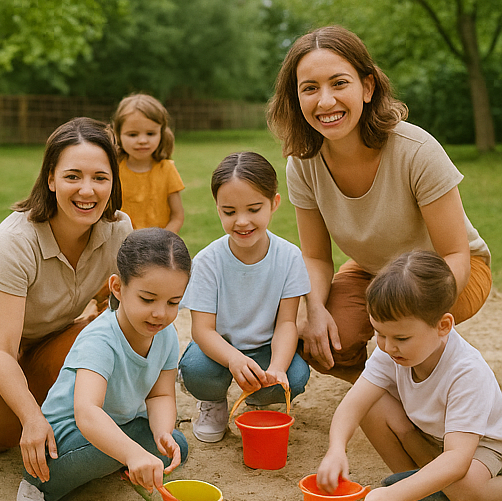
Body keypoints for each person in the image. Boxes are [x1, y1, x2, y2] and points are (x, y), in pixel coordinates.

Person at [267, 25, 492, 384]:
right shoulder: (303, 163)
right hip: (373, 269)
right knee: (328, 343)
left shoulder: (416, 150)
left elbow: (456, 255)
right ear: (296, 99)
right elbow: (315, 257)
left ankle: (431, 374)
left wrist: (411, 315)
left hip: (449, 273)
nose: (325, 101)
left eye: (339, 83)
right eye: (310, 88)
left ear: (367, 87)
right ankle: (382, 391)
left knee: (408, 334)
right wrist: (314, 310)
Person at [0, 118, 132, 478]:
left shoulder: (119, 229)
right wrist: (30, 417)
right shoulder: (14, 242)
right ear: (51, 179)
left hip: (51, 342)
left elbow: (125, 320)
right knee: (7, 433)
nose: (87, 191)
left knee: (108, 334)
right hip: (7, 353)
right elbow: (3, 351)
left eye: (100, 178)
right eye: (73, 176)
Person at [17, 228, 191, 501]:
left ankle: (126, 458)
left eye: (173, 302)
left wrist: (162, 432)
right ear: (118, 288)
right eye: (147, 299)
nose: (160, 313)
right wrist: (132, 452)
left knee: (175, 443)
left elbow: (160, 394)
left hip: (118, 425)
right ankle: (37, 486)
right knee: (116, 448)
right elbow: (87, 412)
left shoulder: (165, 332)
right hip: (65, 439)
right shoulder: (100, 338)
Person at [316, 250, 502, 501]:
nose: (388, 346)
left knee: (463, 487)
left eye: (401, 338)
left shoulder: (466, 372)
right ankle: (416, 484)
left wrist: (391, 494)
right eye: (380, 333)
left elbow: (458, 459)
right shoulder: (392, 352)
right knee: (370, 405)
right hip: (434, 438)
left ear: (443, 326)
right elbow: (353, 405)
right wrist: (336, 449)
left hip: (481, 446)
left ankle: (415, 489)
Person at [178, 151, 311, 443]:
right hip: (218, 350)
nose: (242, 221)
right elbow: (201, 330)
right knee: (197, 370)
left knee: (295, 375)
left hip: (264, 347)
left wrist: (275, 367)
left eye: (253, 209)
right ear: (217, 209)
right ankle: (213, 402)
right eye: (229, 212)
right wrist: (234, 359)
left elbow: (287, 323)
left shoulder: (289, 257)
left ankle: (259, 396)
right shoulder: (208, 261)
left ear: (274, 203)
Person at [112, 93, 185, 232]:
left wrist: (161, 241)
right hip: (120, 245)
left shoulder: (167, 169)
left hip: (158, 247)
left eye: (150, 134)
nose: (142, 140)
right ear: (119, 134)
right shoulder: (113, 170)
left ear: (161, 133)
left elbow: (177, 216)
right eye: (133, 134)